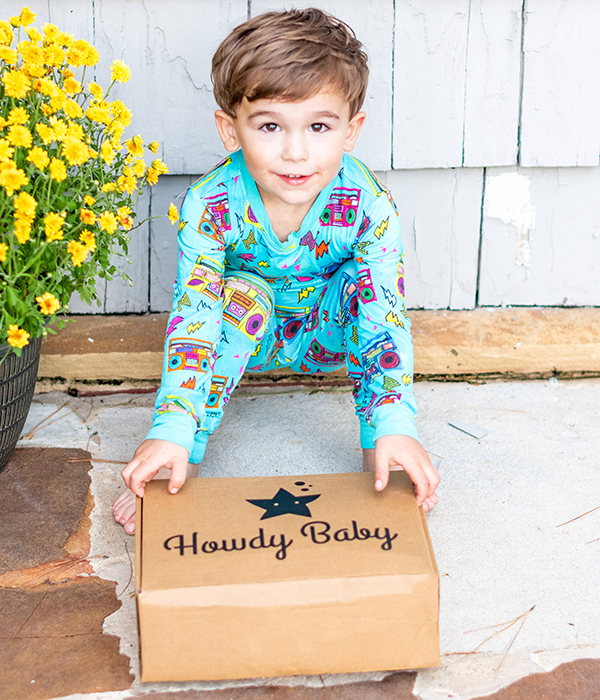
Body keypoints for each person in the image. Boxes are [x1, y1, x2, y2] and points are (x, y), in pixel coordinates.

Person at [113, 8, 440, 535]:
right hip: (247, 331)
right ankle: (182, 454)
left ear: (350, 131)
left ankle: (382, 447)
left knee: (364, 288)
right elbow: (195, 316)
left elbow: (384, 313)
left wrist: (397, 424)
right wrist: (170, 426)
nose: (294, 151)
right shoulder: (211, 203)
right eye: (269, 126)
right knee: (240, 294)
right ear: (230, 129)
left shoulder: (368, 205)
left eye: (318, 126)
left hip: (330, 333)